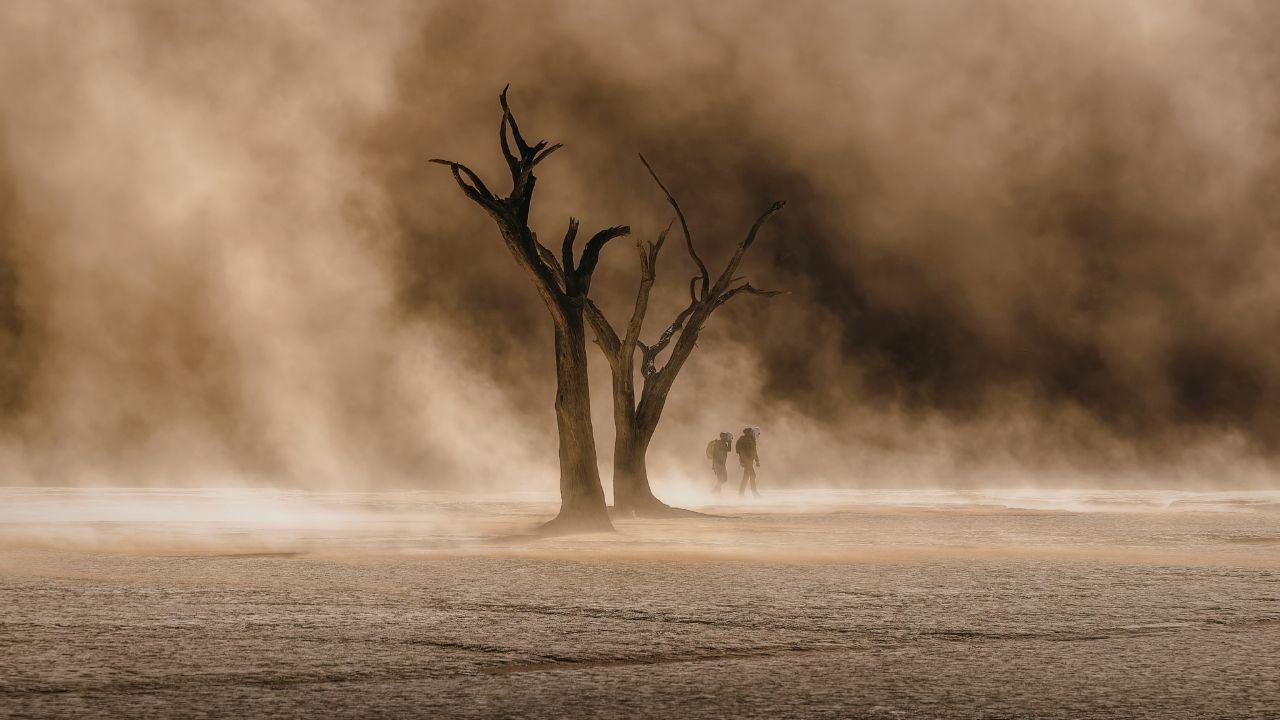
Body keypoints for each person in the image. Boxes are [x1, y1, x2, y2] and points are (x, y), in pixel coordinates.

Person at [735, 426, 761, 497]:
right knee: (753, 475)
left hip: (749, 461)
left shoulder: (752, 440)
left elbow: (754, 452)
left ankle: (741, 493)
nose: (757, 436)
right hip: (747, 461)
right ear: (753, 433)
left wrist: (757, 461)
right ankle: (754, 493)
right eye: (756, 434)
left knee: (746, 477)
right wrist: (743, 460)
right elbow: (741, 451)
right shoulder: (747, 439)